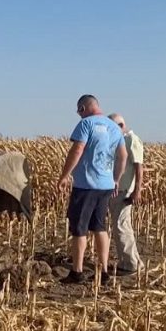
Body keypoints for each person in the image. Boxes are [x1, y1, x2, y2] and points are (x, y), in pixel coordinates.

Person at [56, 94, 127, 285]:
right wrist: (116, 180)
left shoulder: (86, 124)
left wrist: (64, 176)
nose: (79, 115)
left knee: (79, 229)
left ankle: (77, 272)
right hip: (105, 186)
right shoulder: (114, 127)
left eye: (79, 111)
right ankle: (103, 271)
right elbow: (123, 155)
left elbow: (77, 150)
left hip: (85, 185)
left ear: (83, 108)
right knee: (99, 227)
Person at [107, 113, 145, 275]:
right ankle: (131, 261)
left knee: (121, 226)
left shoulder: (132, 140)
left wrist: (137, 190)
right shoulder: (121, 141)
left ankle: (131, 264)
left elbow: (139, 167)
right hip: (118, 190)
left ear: (121, 126)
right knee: (120, 226)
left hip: (125, 191)